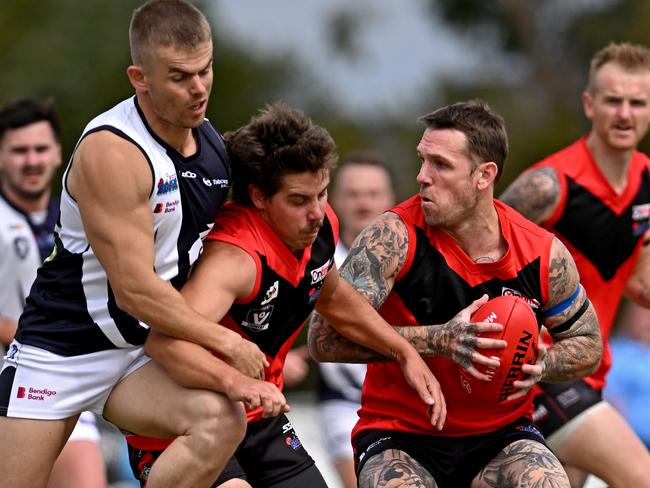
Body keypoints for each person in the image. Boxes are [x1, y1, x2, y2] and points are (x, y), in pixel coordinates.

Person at [0, 2, 287, 487]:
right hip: (60, 350)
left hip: (135, 352)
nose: (199, 88)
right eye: (179, 76)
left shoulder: (210, 142)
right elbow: (135, 290)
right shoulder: (114, 151)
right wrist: (225, 342)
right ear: (140, 77)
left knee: (221, 419)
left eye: (205, 70)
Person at [126, 102, 446, 487]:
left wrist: (404, 351)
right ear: (259, 197)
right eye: (298, 201)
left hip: (257, 416)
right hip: (189, 420)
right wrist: (239, 383)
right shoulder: (235, 258)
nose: (315, 212)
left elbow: (335, 298)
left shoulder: (320, 226)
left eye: (322, 194)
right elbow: (165, 344)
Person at [308, 100, 603, 488]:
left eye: (440, 165)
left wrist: (540, 363)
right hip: (401, 435)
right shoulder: (393, 237)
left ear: (484, 175)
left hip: (502, 435)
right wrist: (439, 340)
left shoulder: (542, 253)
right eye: (422, 160)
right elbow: (322, 339)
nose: (422, 177)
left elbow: (588, 343)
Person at [500, 42, 650, 487]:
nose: (624, 113)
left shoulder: (646, 181)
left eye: (637, 102)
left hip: (591, 371)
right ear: (590, 104)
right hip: (541, 370)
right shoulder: (549, 186)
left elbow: (639, 284)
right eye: (613, 100)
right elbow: (474, 254)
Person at [0, 97, 107, 488]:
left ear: (59, 153)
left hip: (58, 378)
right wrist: (28, 335)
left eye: (41, 149)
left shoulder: (79, 215)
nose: (32, 160)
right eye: (19, 151)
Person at [317, 150, 396, 488]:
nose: (363, 203)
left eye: (373, 194)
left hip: (408, 401)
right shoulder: (317, 261)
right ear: (334, 201)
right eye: (353, 194)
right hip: (346, 404)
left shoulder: (414, 260)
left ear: (391, 199)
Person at [605, 300, 650, 450]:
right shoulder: (616, 352)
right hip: (635, 442)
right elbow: (611, 401)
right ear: (629, 318)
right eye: (642, 316)